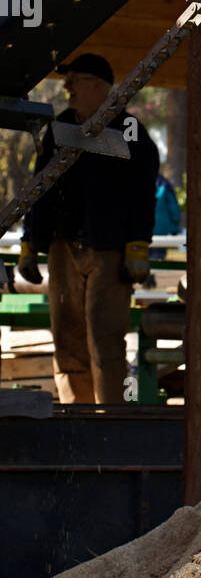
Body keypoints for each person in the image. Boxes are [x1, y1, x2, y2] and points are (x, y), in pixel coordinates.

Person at [16, 53, 159, 404]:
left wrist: (137, 244)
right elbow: (41, 188)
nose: (66, 88)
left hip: (109, 252)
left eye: (75, 80)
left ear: (99, 86)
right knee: (66, 339)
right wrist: (29, 243)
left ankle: (108, 423)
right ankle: (74, 419)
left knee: (105, 342)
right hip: (63, 249)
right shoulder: (59, 129)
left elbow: (143, 192)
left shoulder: (130, 133)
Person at [154, 171, 182, 237]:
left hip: (144, 231)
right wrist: (175, 227)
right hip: (163, 231)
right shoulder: (165, 185)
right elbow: (175, 212)